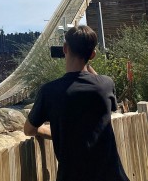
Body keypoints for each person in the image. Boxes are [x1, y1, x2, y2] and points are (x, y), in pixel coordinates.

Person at [24, 25, 129, 181]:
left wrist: (54, 131)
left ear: (65, 48)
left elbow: (29, 129)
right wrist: (86, 60)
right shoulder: (106, 84)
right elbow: (98, 83)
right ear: (93, 55)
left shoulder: (49, 91)